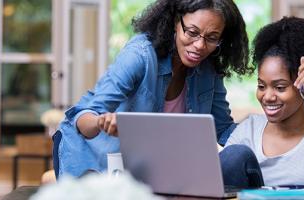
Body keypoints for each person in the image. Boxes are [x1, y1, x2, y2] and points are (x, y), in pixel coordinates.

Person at [55, 0, 254, 178]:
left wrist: (266, 134)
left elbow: (223, 130)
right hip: (92, 161)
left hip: (151, 167)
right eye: (192, 32)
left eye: (211, 38)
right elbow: (83, 118)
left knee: (239, 157)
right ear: (176, 22)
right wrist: (101, 121)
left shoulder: (208, 69)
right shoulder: (140, 55)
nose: (200, 45)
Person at [219, 16, 304, 188]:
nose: (267, 96)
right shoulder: (248, 130)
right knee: (235, 155)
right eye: (261, 86)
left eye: (280, 87)